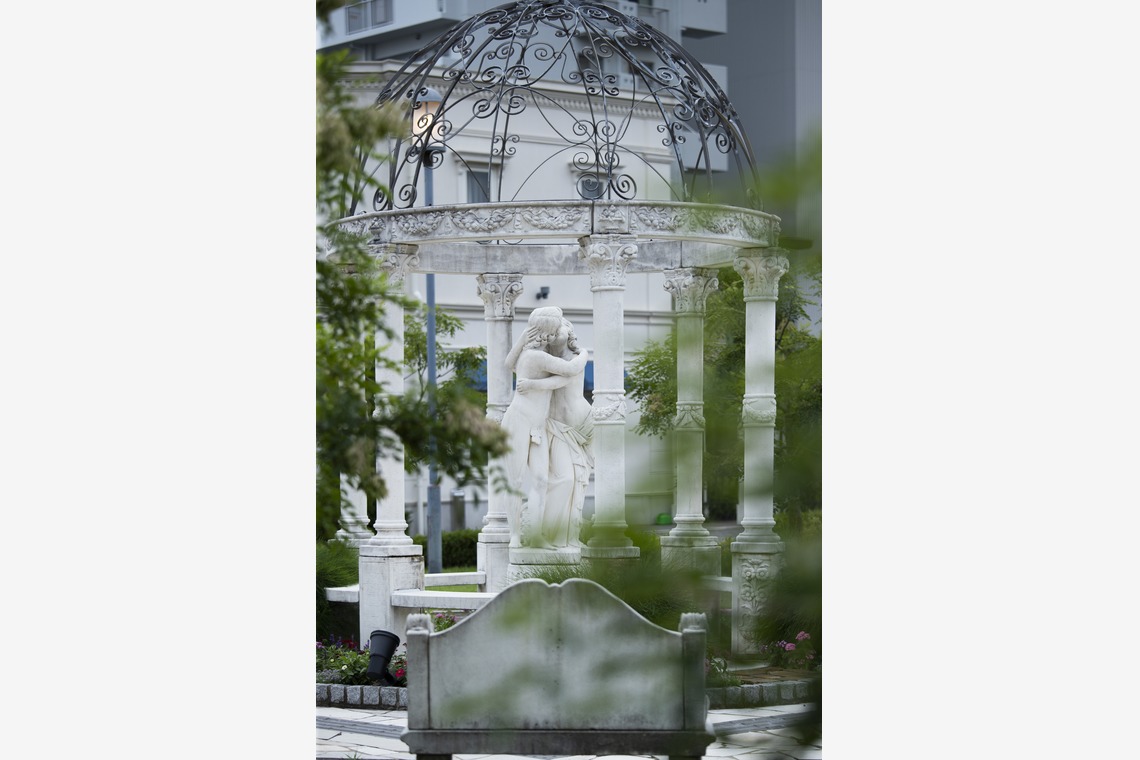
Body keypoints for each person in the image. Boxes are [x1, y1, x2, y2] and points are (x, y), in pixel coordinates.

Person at [499, 307, 588, 548]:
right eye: (556, 328)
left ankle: (537, 537)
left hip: (537, 426)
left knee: (541, 480)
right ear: (547, 333)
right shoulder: (534, 356)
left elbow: (511, 363)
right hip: (518, 421)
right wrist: (586, 354)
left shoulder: (534, 354)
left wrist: (534, 384)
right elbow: (569, 371)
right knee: (515, 480)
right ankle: (515, 536)